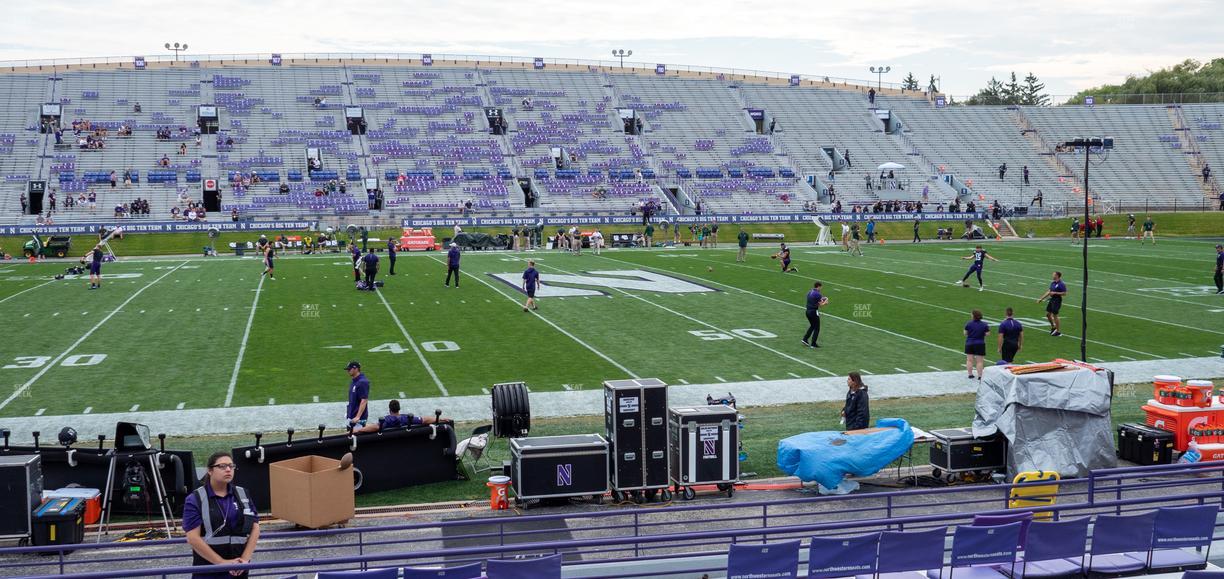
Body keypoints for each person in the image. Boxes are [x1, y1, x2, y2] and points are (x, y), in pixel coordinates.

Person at [184, 451, 259, 578]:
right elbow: (193, 538)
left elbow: (255, 527)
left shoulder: (243, 494)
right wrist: (222, 563)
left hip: (239, 568)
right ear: (210, 470)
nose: (228, 469)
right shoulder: (195, 499)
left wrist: (245, 560)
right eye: (222, 466)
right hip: (208, 570)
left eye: (231, 466)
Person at [354, 400, 442, 433]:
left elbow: (376, 427)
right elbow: (424, 420)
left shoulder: (387, 420)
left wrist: (358, 430)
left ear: (389, 409)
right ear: (399, 409)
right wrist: (440, 419)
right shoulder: (406, 418)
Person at [1037, 271, 1067, 337]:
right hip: (1052, 300)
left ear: (1057, 276)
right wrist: (1041, 299)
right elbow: (1049, 291)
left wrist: (1055, 293)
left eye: (1053, 275)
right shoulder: (1053, 283)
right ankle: (1053, 326)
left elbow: (1064, 293)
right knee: (1048, 314)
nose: (1052, 276)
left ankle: (1058, 332)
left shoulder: (1061, 284)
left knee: (1055, 315)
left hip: (1057, 300)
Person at [964, 309, 990, 380]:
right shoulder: (984, 324)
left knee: (969, 360)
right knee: (979, 361)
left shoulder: (969, 323)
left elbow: (965, 333)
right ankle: (980, 376)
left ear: (973, 316)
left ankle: (970, 374)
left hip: (970, 343)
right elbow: (988, 334)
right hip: (980, 343)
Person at [803, 281, 827, 347]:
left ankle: (805, 339)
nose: (821, 288)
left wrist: (821, 300)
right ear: (818, 286)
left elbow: (813, 300)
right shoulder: (818, 294)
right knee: (817, 328)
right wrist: (825, 302)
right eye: (821, 287)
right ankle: (813, 344)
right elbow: (821, 305)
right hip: (813, 312)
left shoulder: (809, 292)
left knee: (812, 326)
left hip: (807, 311)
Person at [345, 361, 370, 428]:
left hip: (358, 420)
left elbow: (364, 400)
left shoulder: (362, 382)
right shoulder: (354, 380)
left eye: (349, 369)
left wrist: (357, 417)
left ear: (355, 369)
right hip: (351, 415)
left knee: (355, 437)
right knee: (349, 436)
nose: (348, 371)